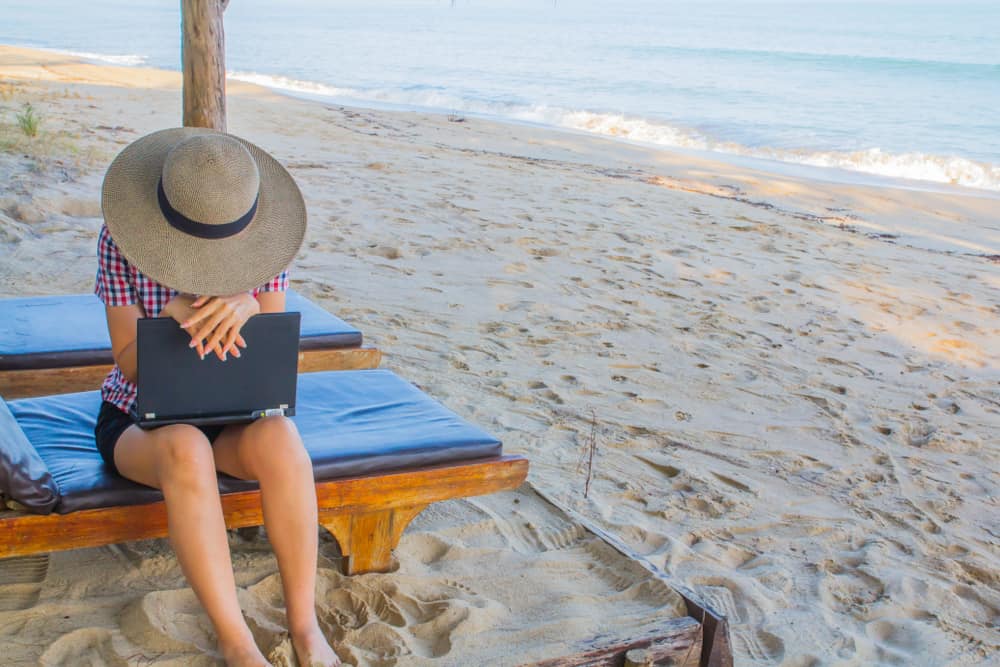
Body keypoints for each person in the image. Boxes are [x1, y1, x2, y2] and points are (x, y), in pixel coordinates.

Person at [93, 127, 340, 667]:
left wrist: (250, 304)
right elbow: (128, 363)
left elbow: (275, 351)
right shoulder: (120, 242)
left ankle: (305, 628)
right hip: (140, 419)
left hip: (234, 411)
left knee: (279, 436)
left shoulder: (263, 245)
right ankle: (237, 642)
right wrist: (168, 318)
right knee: (186, 447)